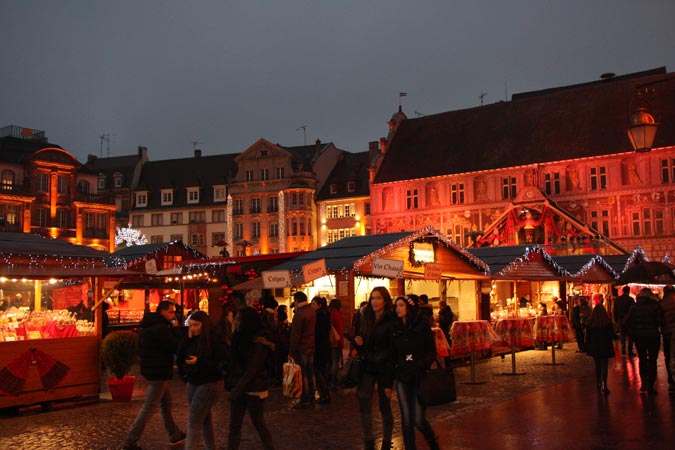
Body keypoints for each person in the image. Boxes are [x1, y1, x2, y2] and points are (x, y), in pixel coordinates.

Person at [122, 301, 185, 450]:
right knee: (150, 407)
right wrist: (175, 330)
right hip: (159, 371)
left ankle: (174, 433)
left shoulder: (147, 326)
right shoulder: (161, 329)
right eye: (170, 311)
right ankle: (130, 440)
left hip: (151, 370)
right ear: (162, 312)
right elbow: (175, 347)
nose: (173, 314)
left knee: (166, 403)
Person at [391, 296, 440, 450]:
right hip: (402, 376)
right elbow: (392, 351)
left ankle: (432, 442)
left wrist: (420, 364)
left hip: (419, 376)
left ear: (409, 307)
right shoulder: (395, 327)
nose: (397, 308)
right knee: (406, 419)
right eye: (396, 306)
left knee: (418, 419)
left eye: (401, 305)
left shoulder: (421, 325)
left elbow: (431, 351)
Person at [226, 306, 276, 450]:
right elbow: (233, 360)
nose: (236, 321)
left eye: (239, 318)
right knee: (234, 425)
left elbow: (253, 368)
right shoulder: (238, 336)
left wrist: (237, 389)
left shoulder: (259, 341)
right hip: (239, 385)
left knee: (258, 423)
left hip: (254, 387)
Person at [353, 287, 395, 450]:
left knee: (384, 406)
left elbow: (392, 347)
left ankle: (386, 442)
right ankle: (368, 440)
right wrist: (360, 342)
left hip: (384, 368)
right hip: (368, 366)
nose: (375, 302)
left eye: (378, 298)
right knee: (364, 404)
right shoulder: (367, 318)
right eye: (372, 298)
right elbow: (364, 341)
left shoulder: (391, 320)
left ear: (385, 300)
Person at [177, 311, 224, 450]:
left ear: (205, 325)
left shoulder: (214, 340)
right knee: (204, 419)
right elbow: (179, 357)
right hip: (192, 381)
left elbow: (220, 363)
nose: (193, 328)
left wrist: (200, 361)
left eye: (196, 325)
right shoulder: (190, 339)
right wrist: (187, 338)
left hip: (209, 383)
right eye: (190, 325)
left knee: (194, 420)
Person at [624, 288, 664, 394]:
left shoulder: (634, 307)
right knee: (652, 360)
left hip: (639, 336)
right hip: (652, 336)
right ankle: (650, 385)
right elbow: (660, 321)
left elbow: (626, 321)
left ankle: (643, 384)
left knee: (642, 359)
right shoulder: (655, 306)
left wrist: (631, 330)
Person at [288, 291, 316, 408]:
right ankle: (312, 395)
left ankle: (304, 397)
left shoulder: (299, 314)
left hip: (302, 347)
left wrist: (291, 352)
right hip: (310, 346)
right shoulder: (311, 310)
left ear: (297, 300)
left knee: (302, 373)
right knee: (310, 372)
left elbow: (295, 335)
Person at [585, 303, 617, 395]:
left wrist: (587, 346)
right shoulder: (607, 322)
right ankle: (605, 384)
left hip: (595, 346)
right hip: (605, 345)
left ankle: (598, 382)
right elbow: (612, 334)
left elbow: (588, 337)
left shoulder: (591, 323)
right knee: (604, 365)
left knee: (597, 365)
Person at [312, 296, 332, 404]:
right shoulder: (326, 315)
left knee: (319, 371)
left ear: (319, 305)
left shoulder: (318, 316)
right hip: (325, 347)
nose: (312, 306)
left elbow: (318, 334)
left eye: (314, 304)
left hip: (319, 348)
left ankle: (324, 395)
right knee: (322, 371)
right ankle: (325, 394)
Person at [659, 285, 675, 389]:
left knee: (668, 356)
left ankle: (671, 379)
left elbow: (660, 319)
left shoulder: (661, 303)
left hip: (667, 333)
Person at [614, 286, 636, 356]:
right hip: (630, 320)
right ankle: (630, 350)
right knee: (630, 335)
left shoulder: (618, 300)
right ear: (628, 291)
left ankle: (623, 347)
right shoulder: (631, 300)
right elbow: (633, 310)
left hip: (621, 319)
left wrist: (615, 319)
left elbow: (615, 310)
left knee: (623, 334)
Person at [329, 298, 344, 387]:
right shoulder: (336, 314)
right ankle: (333, 381)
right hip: (336, 342)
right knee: (335, 362)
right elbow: (340, 330)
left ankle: (331, 380)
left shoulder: (329, 313)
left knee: (331, 362)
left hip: (329, 342)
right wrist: (341, 343)